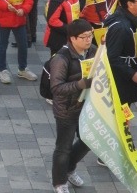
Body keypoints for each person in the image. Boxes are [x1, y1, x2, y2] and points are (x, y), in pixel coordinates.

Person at [50, 18, 96, 193]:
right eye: (84, 37)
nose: (88, 39)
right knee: (63, 147)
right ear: (72, 38)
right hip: (66, 110)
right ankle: (59, 182)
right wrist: (80, 85)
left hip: (86, 107)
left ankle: (68, 168)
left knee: (88, 140)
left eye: (90, 35)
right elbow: (56, 88)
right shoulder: (61, 59)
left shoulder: (92, 51)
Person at [105, 0, 137, 106]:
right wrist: (132, 74)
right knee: (119, 116)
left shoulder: (131, 20)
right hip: (120, 82)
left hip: (125, 81)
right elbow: (112, 57)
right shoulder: (121, 27)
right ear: (130, 4)